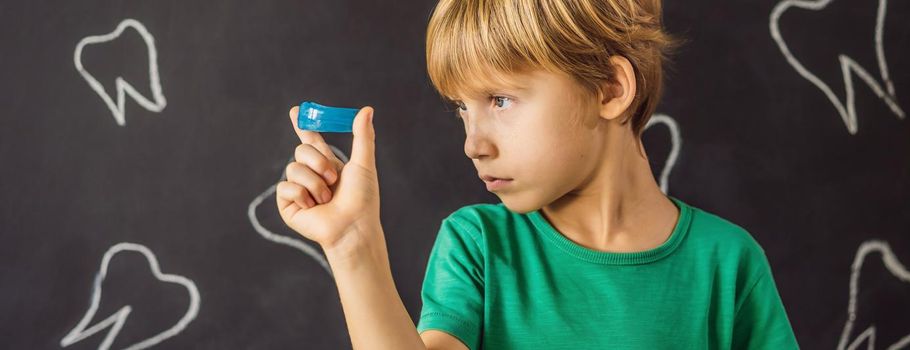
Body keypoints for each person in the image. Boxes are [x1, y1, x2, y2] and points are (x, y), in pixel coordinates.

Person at [276, 0, 800, 348]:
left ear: (610, 90)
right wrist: (352, 245)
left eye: (501, 99)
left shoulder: (726, 265)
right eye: (462, 108)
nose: (472, 144)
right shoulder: (479, 245)